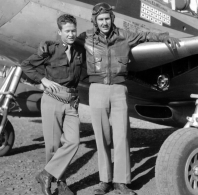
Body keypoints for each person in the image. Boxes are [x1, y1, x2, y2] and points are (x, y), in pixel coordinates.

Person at [39, 3, 180, 195]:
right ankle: (104, 181)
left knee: (122, 135)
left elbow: (146, 35)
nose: (104, 23)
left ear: (112, 18)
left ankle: (122, 182)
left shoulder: (125, 35)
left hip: (119, 90)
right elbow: (66, 42)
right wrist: (46, 65)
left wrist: (164, 37)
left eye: (107, 18)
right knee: (102, 137)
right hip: (97, 90)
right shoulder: (85, 37)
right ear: (95, 21)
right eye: (100, 19)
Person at [21, 14, 86, 195]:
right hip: (53, 100)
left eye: (73, 30)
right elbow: (26, 65)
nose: (71, 34)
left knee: (73, 142)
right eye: (67, 31)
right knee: (52, 146)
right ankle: (61, 183)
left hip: (72, 102)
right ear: (60, 32)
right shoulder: (49, 49)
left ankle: (47, 174)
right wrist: (42, 80)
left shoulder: (80, 51)